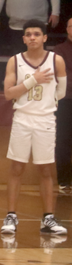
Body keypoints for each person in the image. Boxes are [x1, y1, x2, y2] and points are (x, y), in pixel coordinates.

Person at [1, 20, 67, 236]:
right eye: (28, 34)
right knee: (16, 168)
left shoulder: (57, 60)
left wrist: (45, 104)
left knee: (46, 170)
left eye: (36, 34)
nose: (32, 37)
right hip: (22, 119)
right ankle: (11, 216)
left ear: (45, 37)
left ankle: (48, 218)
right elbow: (9, 93)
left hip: (46, 120)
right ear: (23, 38)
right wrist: (34, 81)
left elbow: (62, 93)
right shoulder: (14, 61)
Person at [54, 17, 72, 193]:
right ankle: (65, 181)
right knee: (64, 141)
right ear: (67, 29)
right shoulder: (59, 50)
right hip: (66, 100)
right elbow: (63, 76)